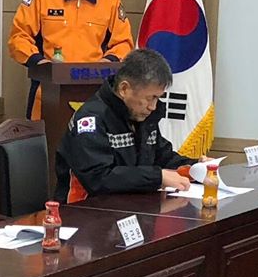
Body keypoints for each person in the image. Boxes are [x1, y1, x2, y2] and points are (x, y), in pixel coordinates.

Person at [8, 0, 134, 118]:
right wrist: (41, 64)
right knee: (47, 136)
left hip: (95, 94)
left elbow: (123, 42)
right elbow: (19, 37)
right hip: (48, 92)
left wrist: (105, 64)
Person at [53, 48, 185, 204]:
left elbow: (163, 156)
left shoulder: (141, 115)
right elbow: (99, 179)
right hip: (84, 210)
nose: (153, 107)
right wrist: (157, 177)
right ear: (124, 89)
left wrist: (197, 166)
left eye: (158, 98)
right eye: (150, 98)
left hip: (130, 207)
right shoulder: (90, 120)